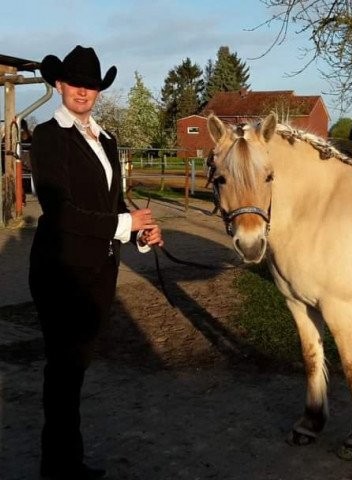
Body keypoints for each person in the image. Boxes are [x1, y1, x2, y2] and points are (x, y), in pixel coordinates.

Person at [29, 45, 164, 480]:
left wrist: (142, 230)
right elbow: (61, 212)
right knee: (64, 372)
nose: (82, 92)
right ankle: (58, 468)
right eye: (75, 84)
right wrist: (125, 223)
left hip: (99, 273)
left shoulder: (106, 139)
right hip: (62, 273)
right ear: (59, 85)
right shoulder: (48, 137)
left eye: (90, 85)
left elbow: (114, 202)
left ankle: (67, 462)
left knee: (75, 372)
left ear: (98, 92)